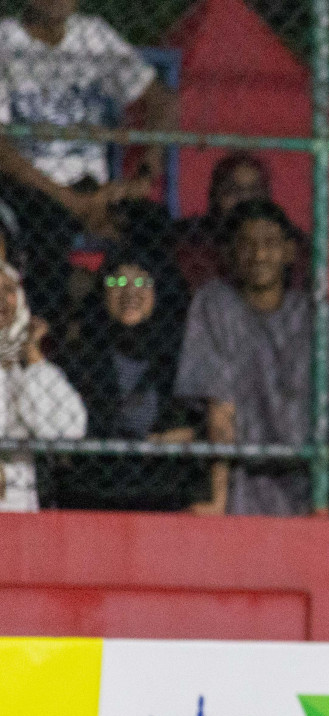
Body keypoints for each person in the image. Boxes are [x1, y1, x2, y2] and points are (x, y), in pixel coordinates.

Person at [174, 199, 329, 520]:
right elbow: (220, 411)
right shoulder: (216, 303)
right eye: (247, 244)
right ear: (230, 253)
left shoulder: (312, 314)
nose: (259, 255)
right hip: (239, 479)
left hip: (304, 483)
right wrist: (217, 502)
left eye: (269, 244)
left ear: (289, 251)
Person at [0, 0, 177, 325]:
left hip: (94, 188)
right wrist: (70, 200)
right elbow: (3, 150)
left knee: (154, 229)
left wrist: (144, 175)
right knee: (46, 234)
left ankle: (118, 338)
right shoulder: (6, 41)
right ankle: (45, 342)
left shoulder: (92, 35)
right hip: (33, 186)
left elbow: (162, 102)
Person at [52, 246, 201, 511]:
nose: (130, 291)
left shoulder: (181, 355)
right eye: (118, 281)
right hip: (92, 490)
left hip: (163, 489)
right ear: (102, 293)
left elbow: (199, 426)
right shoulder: (79, 357)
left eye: (142, 281)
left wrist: (172, 439)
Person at [0, 262, 84, 511]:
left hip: (19, 508)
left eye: (9, 290)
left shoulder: (23, 367)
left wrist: (32, 355)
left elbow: (68, 429)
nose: (2, 299)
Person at [176, 152, 275, 293]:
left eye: (254, 191)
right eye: (233, 191)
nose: (245, 200)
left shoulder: (284, 240)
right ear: (216, 196)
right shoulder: (192, 239)